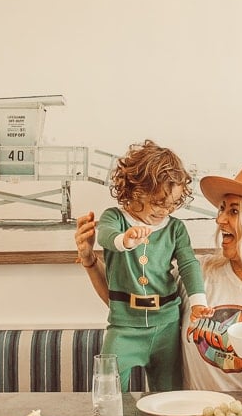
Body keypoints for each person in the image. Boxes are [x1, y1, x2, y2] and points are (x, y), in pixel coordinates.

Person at [76, 163, 242, 396]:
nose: (219, 220)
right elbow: (128, 306)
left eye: (234, 211)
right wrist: (89, 260)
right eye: (221, 209)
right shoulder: (201, 274)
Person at [77, 140, 206, 393]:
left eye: (174, 204)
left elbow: (189, 263)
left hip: (167, 325)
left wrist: (199, 301)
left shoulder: (175, 228)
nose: (166, 210)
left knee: (168, 394)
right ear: (136, 191)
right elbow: (105, 236)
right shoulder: (114, 217)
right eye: (159, 202)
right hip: (124, 326)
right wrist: (125, 240)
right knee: (108, 391)